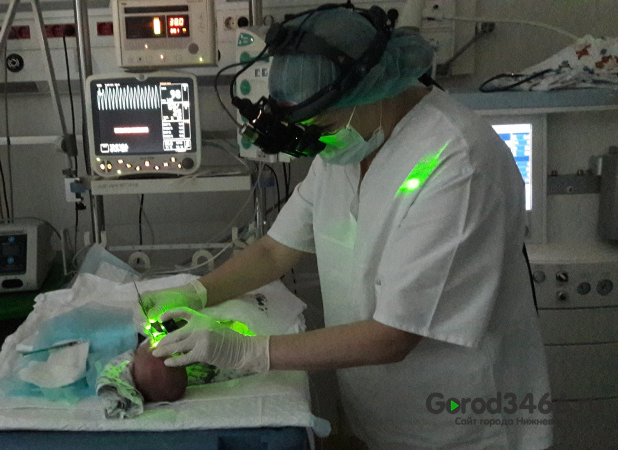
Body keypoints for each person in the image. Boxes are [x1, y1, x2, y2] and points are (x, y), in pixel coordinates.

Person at [142, 6, 553, 450]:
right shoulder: (346, 147)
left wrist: (246, 352)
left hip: (460, 423)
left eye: (322, 126)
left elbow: (393, 336)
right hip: (380, 413)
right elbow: (274, 252)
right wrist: (195, 292)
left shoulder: (458, 163)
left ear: (371, 88)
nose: (317, 142)